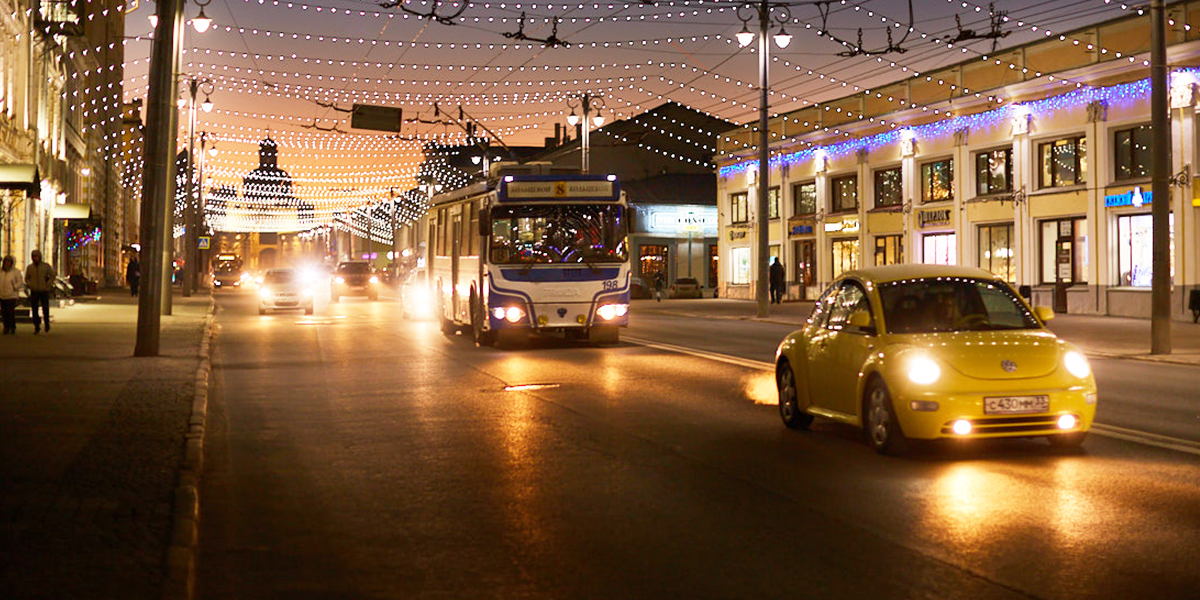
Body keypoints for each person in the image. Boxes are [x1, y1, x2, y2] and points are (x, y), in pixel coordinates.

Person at [24, 249, 55, 334]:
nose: (35, 258)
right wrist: (30, 285)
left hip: (44, 290)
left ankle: (46, 324)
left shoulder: (45, 266)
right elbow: (26, 278)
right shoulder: (30, 268)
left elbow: (52, 275)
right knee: (34, 309)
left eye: (37, 256)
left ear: (40, 257)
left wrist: (47, 284)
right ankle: (36, 326)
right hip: (34, 290)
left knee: (45, 308)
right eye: (34, 257)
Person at [0, 255, 22, 334]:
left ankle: (12, 326)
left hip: (11, 295)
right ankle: (6, 327)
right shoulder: (1, 272)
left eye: (9, 262)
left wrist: (15, 287)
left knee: (10, 312)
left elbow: (20, 282)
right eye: (6, 262)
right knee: (4, 312)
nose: (7, 263)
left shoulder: (16, 272)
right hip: (2, 295)